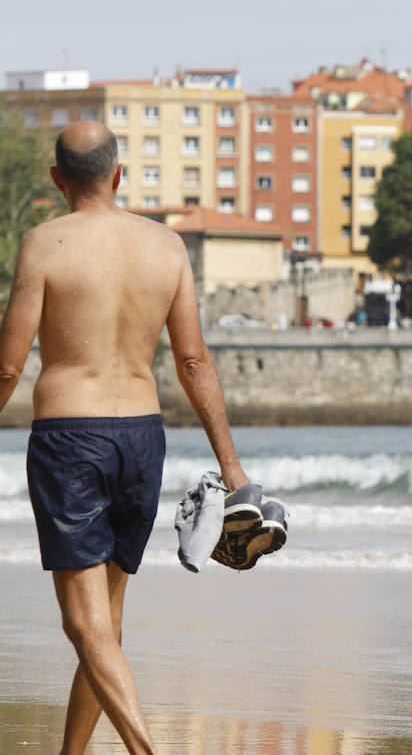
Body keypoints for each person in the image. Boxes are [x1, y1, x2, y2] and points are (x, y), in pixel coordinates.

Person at [0, 122, 252, 754]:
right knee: (105, 623)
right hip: (142, 439)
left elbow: (7, 366)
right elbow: (195, 362)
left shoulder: (44, 244)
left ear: (57, 180)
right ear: (118, 175)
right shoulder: (167, 247)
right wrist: (235, 468)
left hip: (69, 438)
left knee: (85, 626)